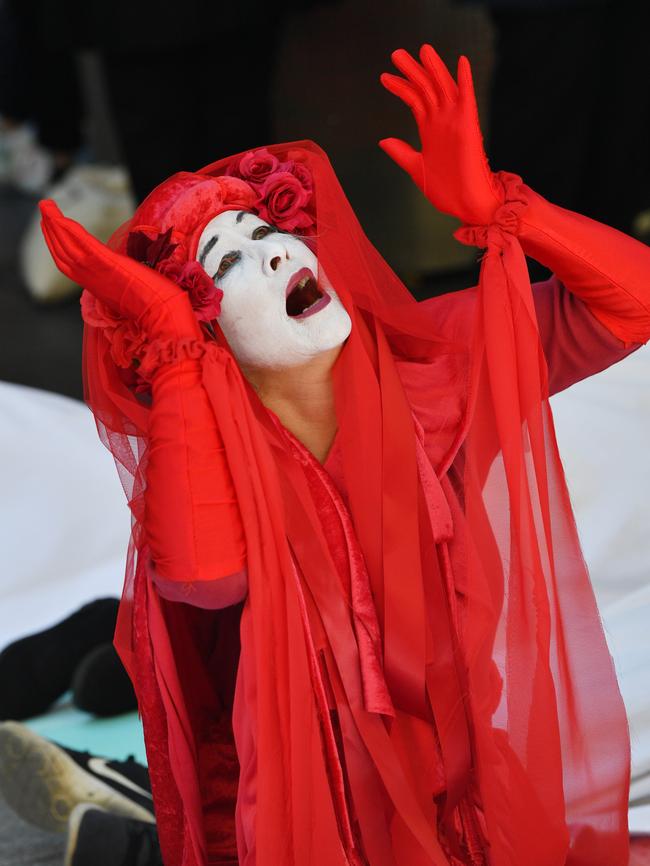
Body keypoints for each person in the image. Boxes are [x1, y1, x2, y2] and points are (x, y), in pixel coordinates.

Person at [39, 44, 650, 866]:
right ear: (211, 334)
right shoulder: (212, 437)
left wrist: (506, 208)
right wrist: (178, 349)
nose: (278, 253)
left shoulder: (431, 362)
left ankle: (120, 812)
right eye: (230, 263)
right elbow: (205, 577)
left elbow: (633, 306)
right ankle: (122, 817)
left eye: (267, 231)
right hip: (300, 811)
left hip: (455, 785)